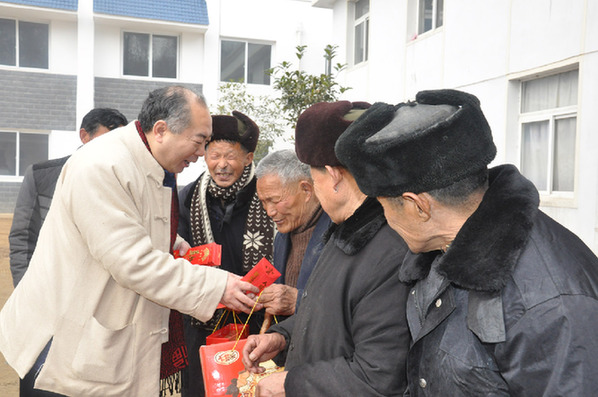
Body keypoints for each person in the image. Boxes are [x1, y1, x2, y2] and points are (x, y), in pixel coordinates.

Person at [0, 86, 260, 397]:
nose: (201, 154)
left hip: (101, 337)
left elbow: (133, 222)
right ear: (161, 130)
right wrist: (219, 286)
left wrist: (174, 244)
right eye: (200, 142)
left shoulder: (149, 161)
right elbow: (132, 262)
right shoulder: (102, 165)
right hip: (62, 347)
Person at [335, 88, 598, 396]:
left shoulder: (552, 305)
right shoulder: (440, 252)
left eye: (383, 206)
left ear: (417, 206)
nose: (386, 220)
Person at [242, 101, 412, 396]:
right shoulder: (343, 230)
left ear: (332, 175)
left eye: (313, 175)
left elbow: (379, 377)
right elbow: (330, 316)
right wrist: (282, 336)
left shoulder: (391, 249)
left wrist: (291, 383)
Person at [178, 111, 275, 396]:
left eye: (230, 156)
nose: (221, 165)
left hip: (259, 318)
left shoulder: (268, 192)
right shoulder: (189, 197)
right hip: (203, 317)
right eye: (213, 155)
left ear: (248, 157)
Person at [9, 107, 128, 289]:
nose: (114, 146)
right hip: (52, 286)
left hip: (101, 292)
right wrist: (25, 288)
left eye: (120, 140)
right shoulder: (41, 176)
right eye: (108, 138)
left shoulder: (125, 182)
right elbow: (23, 239)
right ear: (84, 136)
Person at [255, 149, 331, 316]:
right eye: (263, 202)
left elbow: (349, 302)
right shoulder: (282, 238)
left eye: (274, 201)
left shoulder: (337, 234)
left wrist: (298, 302)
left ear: (306, 190)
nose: (269, 211)